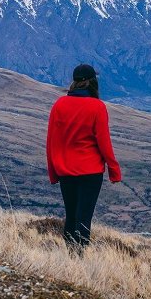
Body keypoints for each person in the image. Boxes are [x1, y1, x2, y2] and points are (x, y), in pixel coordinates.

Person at [46, 63, 122, 253]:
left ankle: (70, 257)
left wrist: (53, 173)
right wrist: (114, 170)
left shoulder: (59, 105)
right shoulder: (97, 107)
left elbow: (51, 142)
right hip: (90, 172)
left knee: (71, 215)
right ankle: (79, 258)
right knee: (84, 217)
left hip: (65, 170)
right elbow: (104, 143)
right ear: (92, 82)